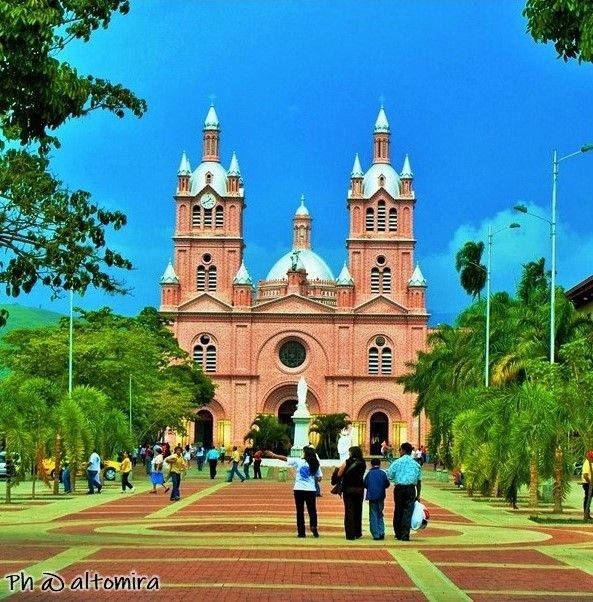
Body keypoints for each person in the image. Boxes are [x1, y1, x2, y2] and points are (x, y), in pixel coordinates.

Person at [265, 446, 322, 537]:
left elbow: (285, 458)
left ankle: (301, 533)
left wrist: (274, 455)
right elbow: (319, 478)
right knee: (312, 510)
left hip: (298, 489)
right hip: (310, 490)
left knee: (299, 511)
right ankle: (313, 526)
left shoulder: (299, 461)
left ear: (305, 453)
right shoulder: (315, 463)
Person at [386, 442, 422, 541]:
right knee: (408, 511)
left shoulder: (397, 462)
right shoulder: (416, 464)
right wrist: (418, 494)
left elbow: (389, 475)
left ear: (403, 450)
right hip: (411, 489)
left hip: (399, 489)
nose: (399, 452)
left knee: (398, 510)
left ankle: (398, 533)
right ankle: (405, 534)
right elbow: (419, 481)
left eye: (400, 450)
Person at [336, 446, 366, 540]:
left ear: (352, 453)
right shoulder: (363, 462)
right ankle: (358, 532)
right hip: (359, 489)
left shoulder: (347, 461)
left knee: (349, 511)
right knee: (358, 510)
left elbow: (339, 474)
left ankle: (350, 534)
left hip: (348, 489)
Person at [364, 458, 390, 540]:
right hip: (381, 496)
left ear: (371, 464)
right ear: (380, 464)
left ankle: (376, 534)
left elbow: (365, 484)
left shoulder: (369, 473)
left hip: (372, 496)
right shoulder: (383, 473)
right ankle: (381, 532)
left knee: (373, 514)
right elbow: (387, 484)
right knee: (380, 513)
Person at [582, 450, 593, 520]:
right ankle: (586, 514)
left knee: (588, 499)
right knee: (587, 498)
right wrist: (590, 483)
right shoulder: (587, 463)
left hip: (590, 483)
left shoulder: (591, 463)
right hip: (588, 484)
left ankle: (587, 514)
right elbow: (585, 475)